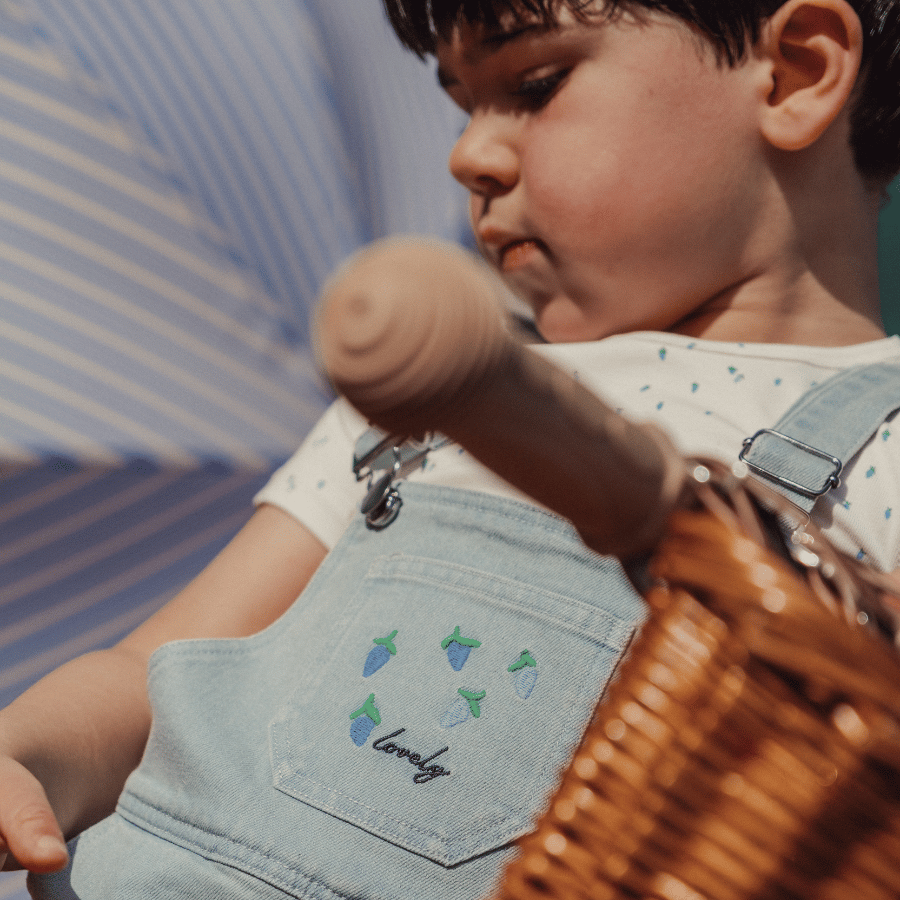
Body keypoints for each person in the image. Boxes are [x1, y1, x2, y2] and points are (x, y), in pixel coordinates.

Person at [3, 0, 900, 897]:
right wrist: (26, 758)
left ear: (796, 71)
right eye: (462, 103)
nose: (468, 154)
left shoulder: (886, 447)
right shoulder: (438, 392)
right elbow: (145, 676)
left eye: (536, 85)